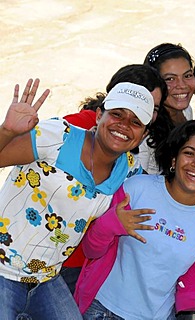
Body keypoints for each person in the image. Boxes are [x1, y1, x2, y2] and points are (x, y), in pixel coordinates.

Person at [0, 76, 159, 319]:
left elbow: (169, 192)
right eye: (116, 114)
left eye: (135, 122)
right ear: (98, 115)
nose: (124, 125)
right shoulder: (57, 137)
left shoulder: (129, 170)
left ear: (143, 133)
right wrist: (7, 131)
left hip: (46, 278)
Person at [75, 120, 195, 319]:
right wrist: (111, 224)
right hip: (102, 310)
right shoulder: (137, 188)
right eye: (189, 153)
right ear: (174, 160)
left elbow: (192, 292)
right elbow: (91, 250)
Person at [60, 64, 169, 294]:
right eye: (133, 99)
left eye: (153, 107)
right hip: (41, 258)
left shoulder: (129, 160)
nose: (140, 109)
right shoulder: (73, 128)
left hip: (83, 260)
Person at [141, 43, 195, 174]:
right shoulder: (145, 126)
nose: (182, 85)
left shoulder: (186, 111)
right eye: (170, 79)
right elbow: (135, 180)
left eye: (187, 75)